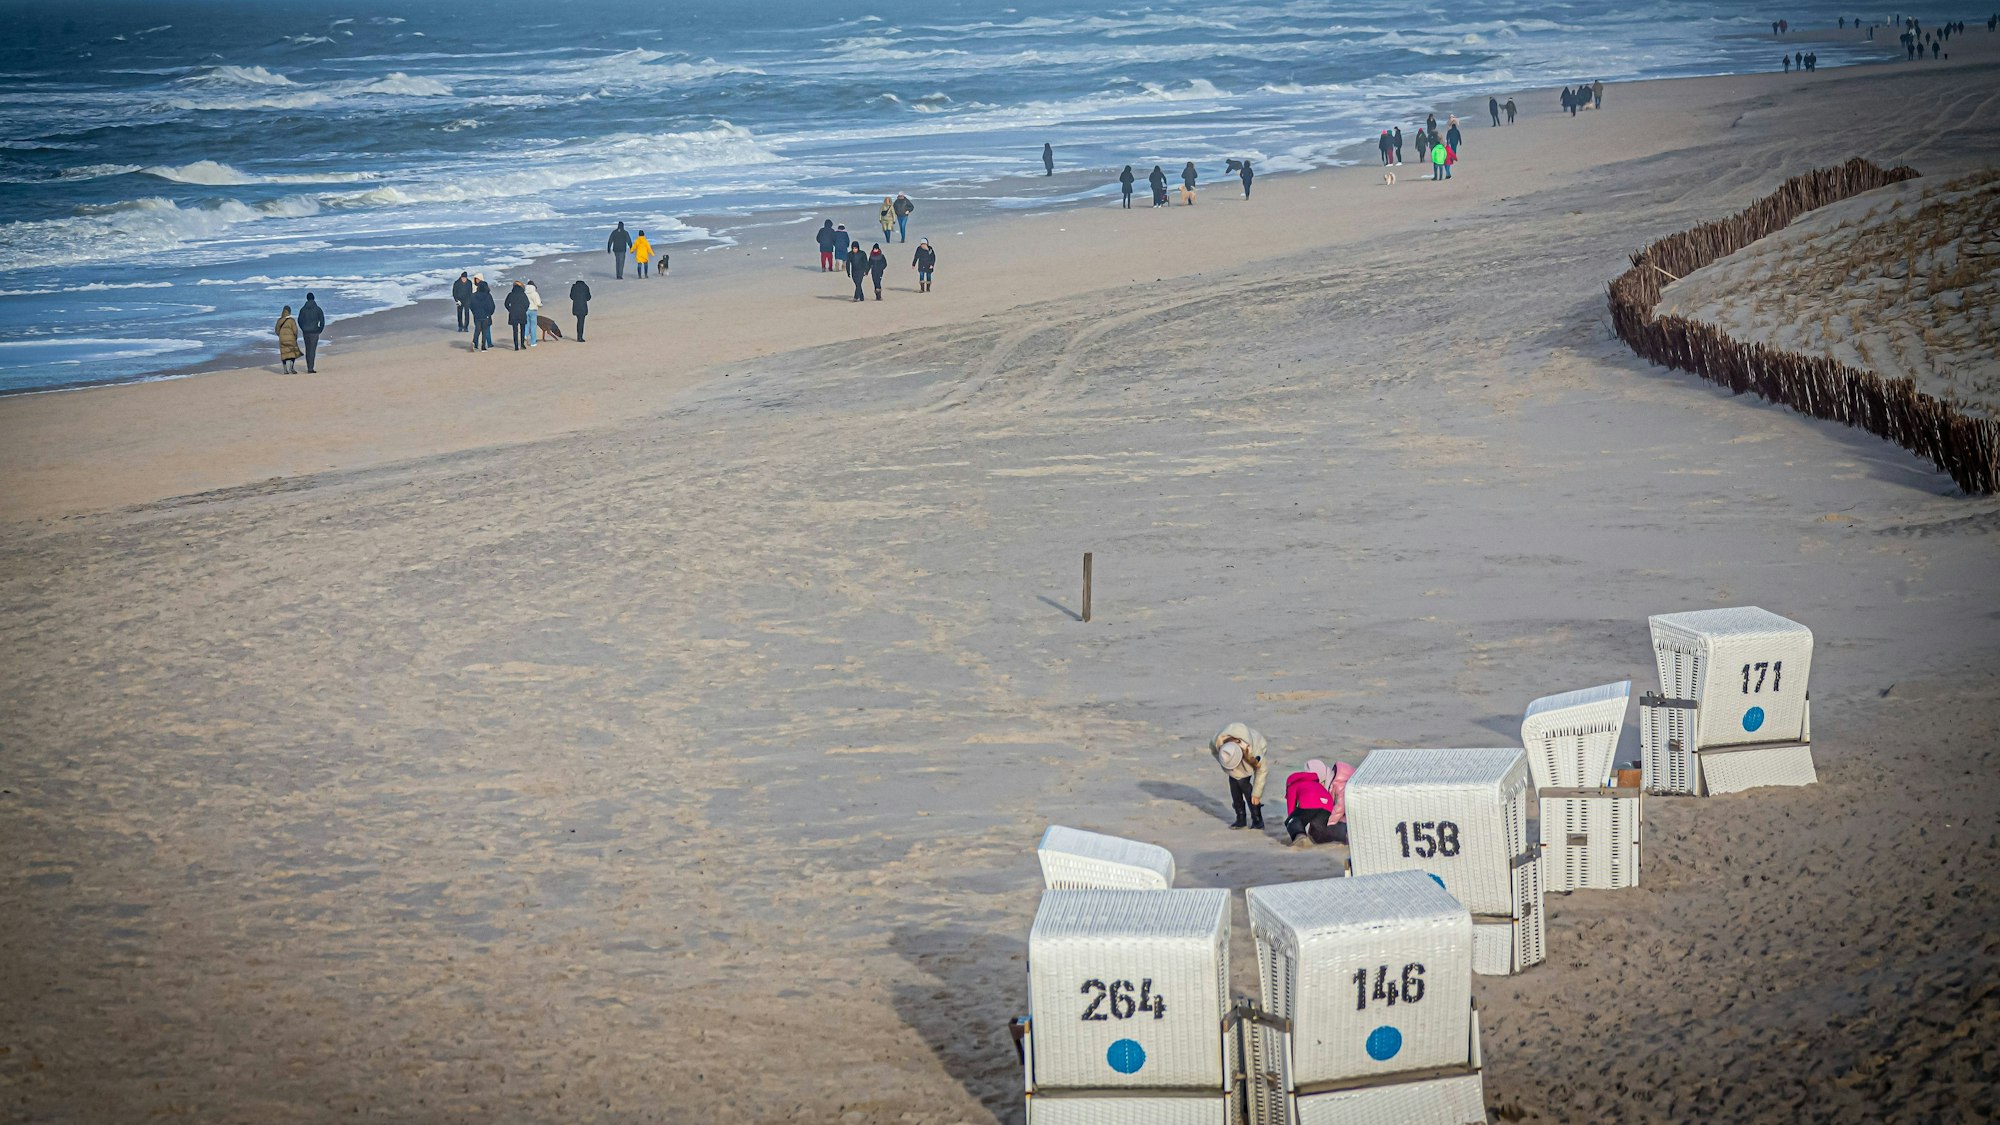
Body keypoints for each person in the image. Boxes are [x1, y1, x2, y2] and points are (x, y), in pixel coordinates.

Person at [1211, 723, 1269, 830]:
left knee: (1243, 783)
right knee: (1234, 783)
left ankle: (1257, 818)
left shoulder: (1253, 750)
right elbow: (1214, 752)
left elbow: (1262, 770)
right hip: (1231, 756)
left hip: (1254, 751)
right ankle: (1240, 817)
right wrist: (1224, 762)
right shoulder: (1217, 743)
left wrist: (1257, 793)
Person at [1284, 759, 1356, 844]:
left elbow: (1340, 807)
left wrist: (1292, 820)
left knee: (1294, 820)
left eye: (1320, 782)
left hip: (1350, 818)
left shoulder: (1339, 783)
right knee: (1318, 828)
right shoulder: (1327, 786)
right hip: (1333, 813)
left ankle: (1300, 838)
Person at [297, 291, 325, 373]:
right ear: (313, 298)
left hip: (306, 332)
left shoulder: (303, 309)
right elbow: (322, 321)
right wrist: (320, 329)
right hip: (314, 332)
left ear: (307, 299)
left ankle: (309, 366)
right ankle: (310, 368)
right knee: (312, 350)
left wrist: (303, 328)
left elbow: (299, 320)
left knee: (307, 349)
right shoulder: (318, 309)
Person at [469, 277, 495, 351]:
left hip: (477, 315)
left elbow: (471, 305)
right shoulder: (488, 296)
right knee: (484, 331)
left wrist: (474, 312)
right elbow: (492, 306)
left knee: (477, 330)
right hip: (485, 316)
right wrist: (489, 313)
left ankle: (475, 343)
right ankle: (483, 347)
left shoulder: (473, 295)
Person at [273, 305, 301, 373]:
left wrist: (280, 336)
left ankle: (285, 369)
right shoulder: (292, 320)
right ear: (289, 312)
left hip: (282, 339)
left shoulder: (279, 320)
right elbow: (295, 330)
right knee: (293, 353)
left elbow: (276, 330)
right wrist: (295, 337)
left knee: (284, 354)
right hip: (291, 339)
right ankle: (291, 368)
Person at [504, 280, 529, 350]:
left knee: (515, 330)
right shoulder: (523, 294)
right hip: (522, 313)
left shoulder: (510, 294)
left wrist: (510, 309)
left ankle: (516, 346)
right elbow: (527, 304)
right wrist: (524, 310)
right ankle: (522, 344)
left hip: (513, 313)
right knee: (522, 329)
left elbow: (506, 304)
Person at [567, 278, 590, 342]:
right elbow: (589, 297)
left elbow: (571, 296)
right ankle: (580, 337)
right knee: (581, 322)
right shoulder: (585, 287)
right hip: (583, 307)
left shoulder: (574, 287)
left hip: (576, 307)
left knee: (579, 321)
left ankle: (579, 336)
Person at [523, 278, 541, 346]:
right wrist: (541, 304)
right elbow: (538, 303)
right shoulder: (535, 293)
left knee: (526, 324)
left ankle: (525, 335)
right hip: (533, 310)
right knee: (533, 326)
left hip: (526, 310)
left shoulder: (524, 293)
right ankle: (533, 342)